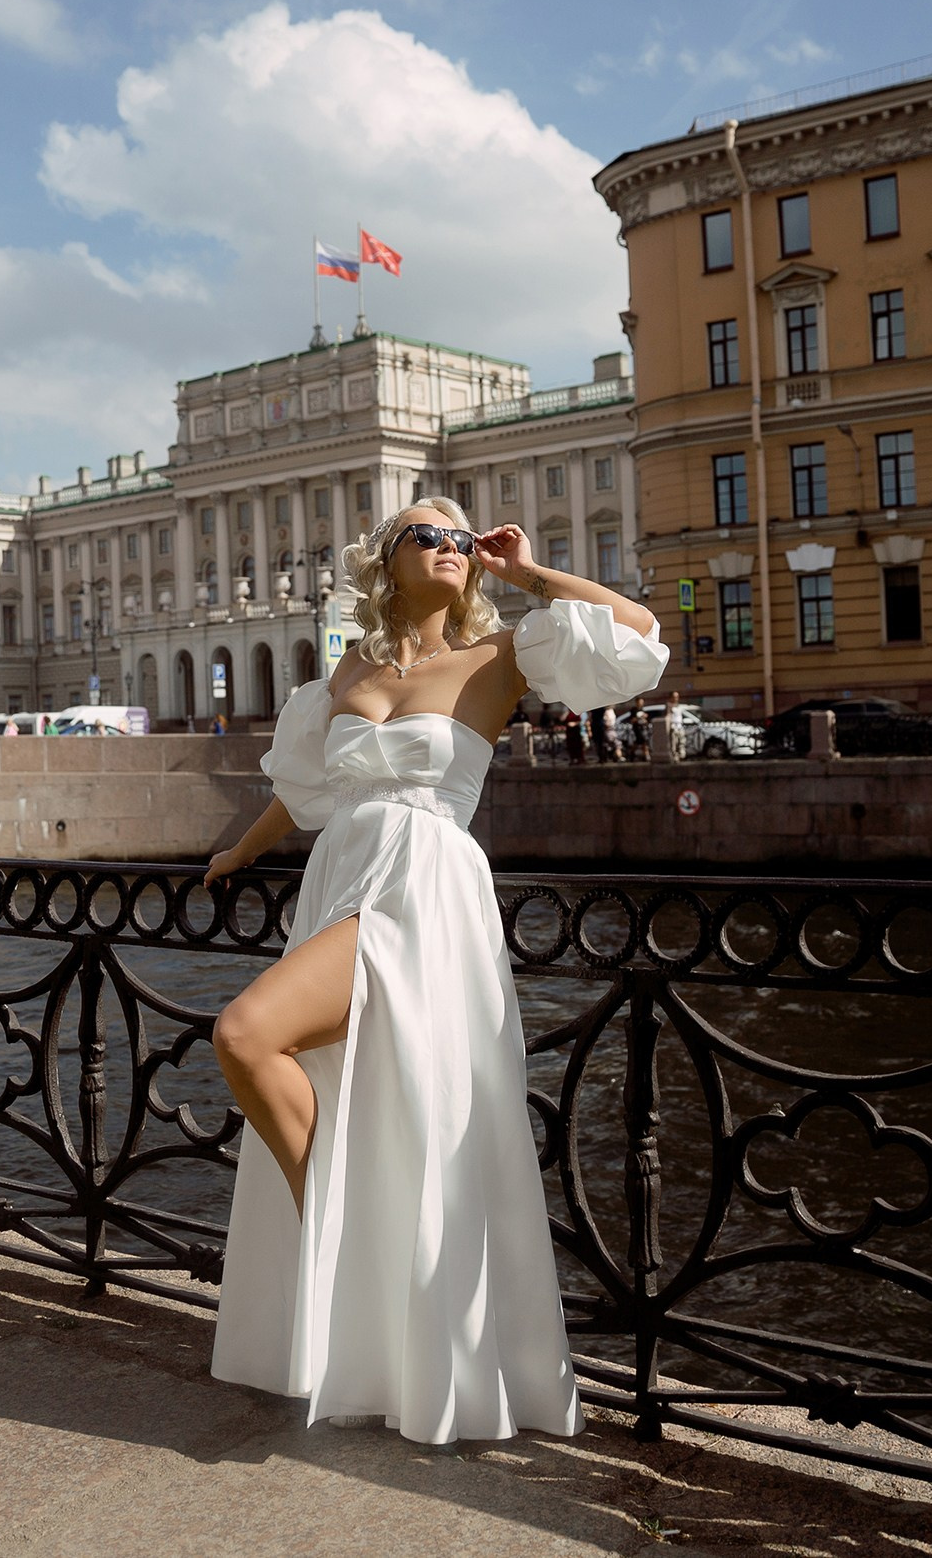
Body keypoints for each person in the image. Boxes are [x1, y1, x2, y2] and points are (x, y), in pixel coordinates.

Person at [201, 499, 667, 1445]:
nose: (453, 548)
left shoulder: (501, 658)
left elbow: (639, 636)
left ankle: (349, 1241)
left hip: (421, 888)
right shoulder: (352, 669)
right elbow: (307, 794)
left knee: (245, 1033)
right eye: (431, 535)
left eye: (463, 539)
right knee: (374, 1102)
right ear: (387, 559)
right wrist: (239, 852)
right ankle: (368, 1260)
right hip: (342, 882)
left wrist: (528, 571)